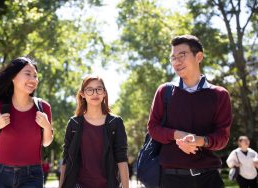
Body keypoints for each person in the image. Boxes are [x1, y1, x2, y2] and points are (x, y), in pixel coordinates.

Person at [147, 35, 232, 188]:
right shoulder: (164, 91)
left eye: (182, 55)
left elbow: (222, 137)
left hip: (209, 179)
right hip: (170, 179)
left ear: (198, 56)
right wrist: (178, 135)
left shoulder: (220, 94)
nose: (177, 61)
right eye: (173, 57)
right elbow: (153, 128)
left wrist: (199, 141)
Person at [0, 57, 53, 188]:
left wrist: (47, 126)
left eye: (35, 76)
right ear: (13, 77)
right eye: (28, 74)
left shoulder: (43, 108)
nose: (33, 80)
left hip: (32, 176)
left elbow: (47, 142)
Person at [59, 75, 129, 188]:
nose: (95, 93)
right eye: (89, 90)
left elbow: (122, 159)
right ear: (82, 94)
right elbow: (66, 159)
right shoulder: (74, 123)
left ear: (104, 93)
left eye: (99, 89)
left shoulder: (115, 123)